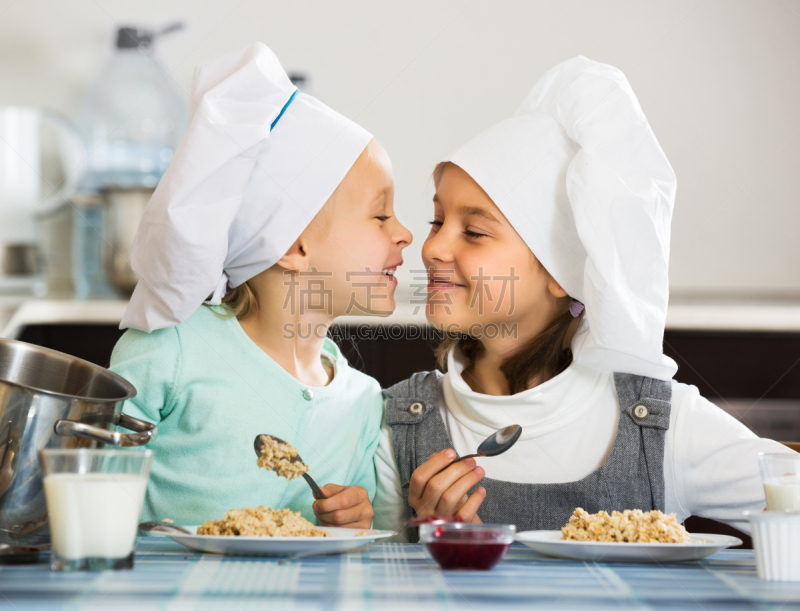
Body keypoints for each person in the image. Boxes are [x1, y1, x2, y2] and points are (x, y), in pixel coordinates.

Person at [372, 56, 789, 536]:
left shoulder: (660, 426)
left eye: (474, 232)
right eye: (437, 221)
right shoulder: (394, 424)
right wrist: (419, 535)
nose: (432, 247)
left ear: (562, 272)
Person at [110, 42, 412, 528]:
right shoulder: (171, 353)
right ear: (292, 246)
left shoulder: (361, 402)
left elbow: (363, 537)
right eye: (380, 214)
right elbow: (87, 486)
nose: (405, 233)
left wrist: (355, 517)